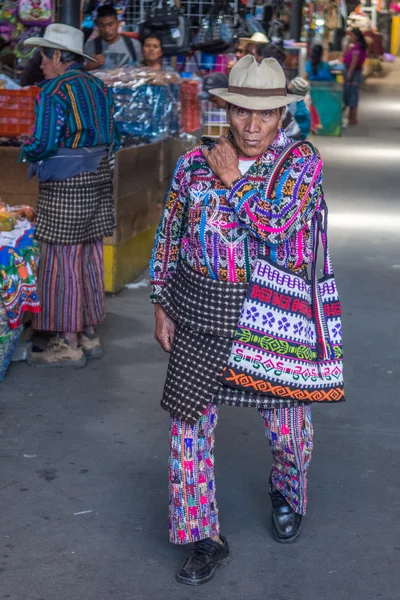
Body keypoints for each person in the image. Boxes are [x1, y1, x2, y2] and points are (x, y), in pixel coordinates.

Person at [150, 55, 323, 585]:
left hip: (275, 314)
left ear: (280, 117)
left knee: (288, 430)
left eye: (266, 115)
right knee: (188, 427)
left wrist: (234, 179)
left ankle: (287, 492)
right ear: (225, 107)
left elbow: (276, 226)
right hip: (201, 307)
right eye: (243, 112)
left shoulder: (302, 163)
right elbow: (170, 235)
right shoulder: (191, 166)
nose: (252, 126)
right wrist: (160, 300)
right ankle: (204, 536)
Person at [20, 23, 120, 368]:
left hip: (66, 186)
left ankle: (67, 342)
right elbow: (115, 138)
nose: (42, 64)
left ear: (59, 56)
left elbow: (44, 143)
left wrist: (27, 150)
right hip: (99, 179)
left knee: (61, 259)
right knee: (89, 255)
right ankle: (89, 333)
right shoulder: (99, 87)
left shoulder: (53, 91)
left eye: (44, 56)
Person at [83, 4, 142, 71]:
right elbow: (82, 72)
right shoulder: (90, 46)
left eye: (110, 25)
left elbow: (142, 70)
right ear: (97, 25)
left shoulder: (134, 44)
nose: (106, 30)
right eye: (102, 25)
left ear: (118, 23)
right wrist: (89, 66)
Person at [343, 28, 367, 125]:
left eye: (352, 35)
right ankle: (351, 117)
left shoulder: (357, 47)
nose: (350, 37)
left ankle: (352, 118)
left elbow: (354, 61)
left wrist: (349, 73)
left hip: (354, 73)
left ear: (356, 37)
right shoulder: (356, 46)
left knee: (352, 94)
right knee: (352, 94)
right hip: (354, 72)